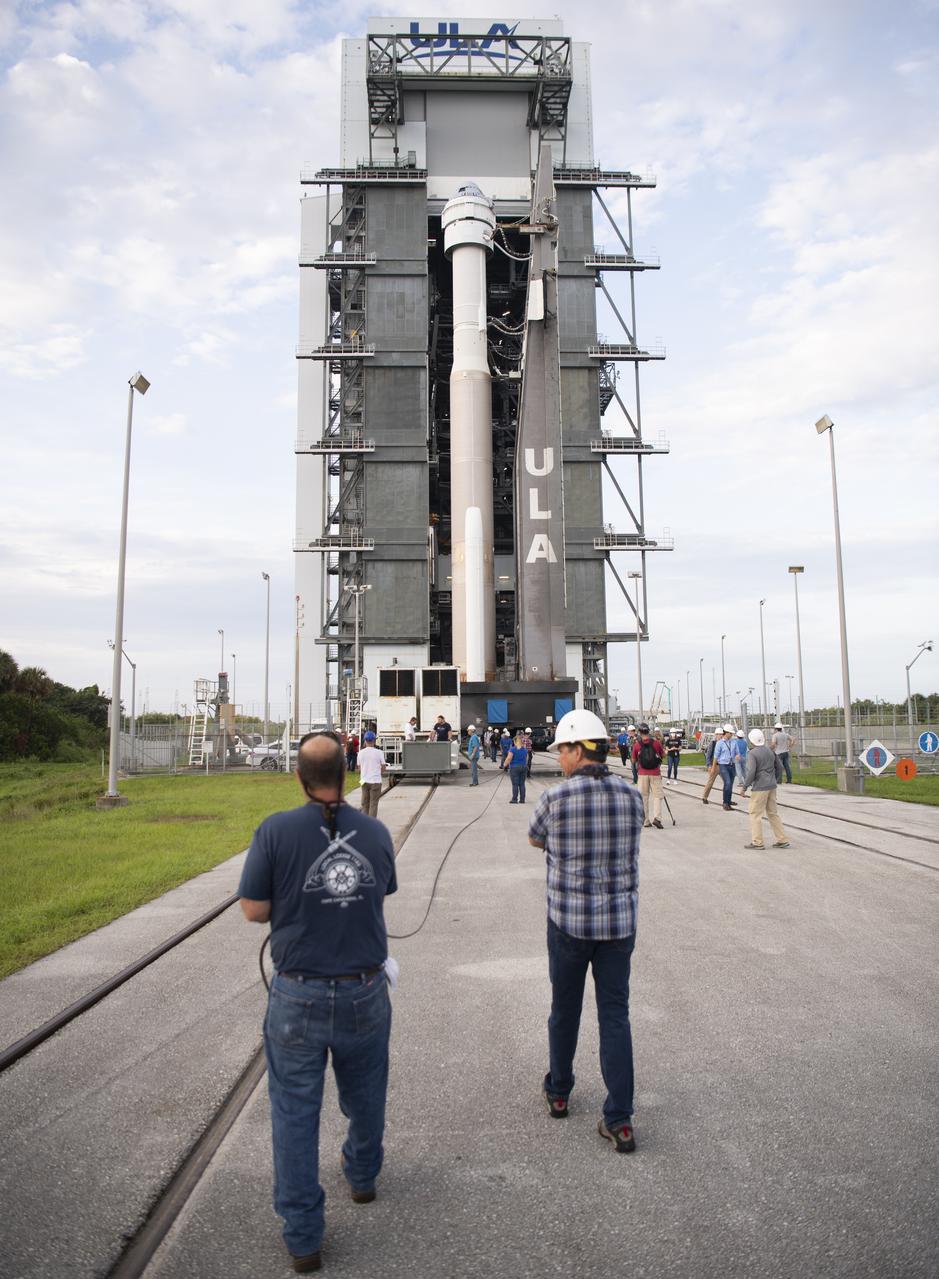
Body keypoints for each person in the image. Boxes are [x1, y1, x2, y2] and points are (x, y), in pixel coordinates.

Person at [239, 732, 397, 1273]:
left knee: (294, 1113)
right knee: (367, 1092)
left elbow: (253, 910)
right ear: (348, 769)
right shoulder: (374, 832)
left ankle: (304, 1237)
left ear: (299, 777)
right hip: (365, 991)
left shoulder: (274, 831)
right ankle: (361, 1176)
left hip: (297, 994)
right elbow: (381, 890)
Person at [528, 708, 643, 1154]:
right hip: (618, 926)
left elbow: (536, 839)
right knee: (615, 1015)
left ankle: (559, 1091)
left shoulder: (554, 800)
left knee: (565, 1009)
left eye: (562, 751)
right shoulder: (631, 797)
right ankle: (620, 1118)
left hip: (569, 924)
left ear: (578, 750)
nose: (559, 759)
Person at [742, 728, 790, 850]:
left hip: (759, 787)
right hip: (771, 786)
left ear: (752, 741)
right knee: (773, 813)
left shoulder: (752, 754)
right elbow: (779, 767)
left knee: (755, 814)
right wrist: (775, 779)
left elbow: (751, 772)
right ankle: (782, 839)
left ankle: (757, 842)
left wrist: (745, 787)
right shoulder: (770, 751)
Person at [631, 722, 664, 829]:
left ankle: (645, 821)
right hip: (655, 773)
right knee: (657, 796)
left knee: (644, 797)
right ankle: (657, 818)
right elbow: (663, 755)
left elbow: (633, 760)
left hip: (642, 774)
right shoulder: (656, 743)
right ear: (648, 731)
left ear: (640, 732)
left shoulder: (637, 745)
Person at [357, 730, 386, 817]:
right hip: (376, 781)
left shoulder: (360, 753)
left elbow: (359, 768)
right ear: (374, 741)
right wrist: (378, 773)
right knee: (373, 804)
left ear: (365, 741)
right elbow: (383, 766)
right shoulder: (379, 752)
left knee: (365, 804)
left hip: (364, 781)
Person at [714, 724, 738, 811]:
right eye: (730, 733)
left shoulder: (734, 742)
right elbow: (715, 756)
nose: (731, 735)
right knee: (727, 782)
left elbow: (737, 752)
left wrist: (738, 755)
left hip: (732, 765)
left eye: (732, 733)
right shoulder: (719, 743)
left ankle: (728, 802)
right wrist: (713, 767)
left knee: (730, 784)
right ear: (726, 733)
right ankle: (725, 803)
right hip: (723, 765)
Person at [503, 733, 530, 803]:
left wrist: (505, 765)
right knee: (522, 784)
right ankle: (522, 799)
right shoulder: (525, 750)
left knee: (515, 784)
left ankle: (514, 799)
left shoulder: (513, 749)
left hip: (514, 768)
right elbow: (527, 759)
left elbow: (509, 758)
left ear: (515, 741)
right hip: (523, 767)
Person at [701, 729, 722, 804]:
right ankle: (704, 797)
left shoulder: (724, 743)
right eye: (718, 734)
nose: (720, 736)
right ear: (715, 735)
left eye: (721, 734)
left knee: (727, 783)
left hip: (722, 766)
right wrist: (709, 766)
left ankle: (727, 799)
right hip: (714, 766)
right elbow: (708, 755)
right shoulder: (712, 744)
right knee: (710, 782)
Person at [732, 728, 748, 796]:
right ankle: (747, 781)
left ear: (737, 736)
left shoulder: (735, 742)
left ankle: (740, 782)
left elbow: (733, 750)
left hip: (737, 757)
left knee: (738, 770)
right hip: (744, 757)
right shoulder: (745, 742)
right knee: (744, 770)